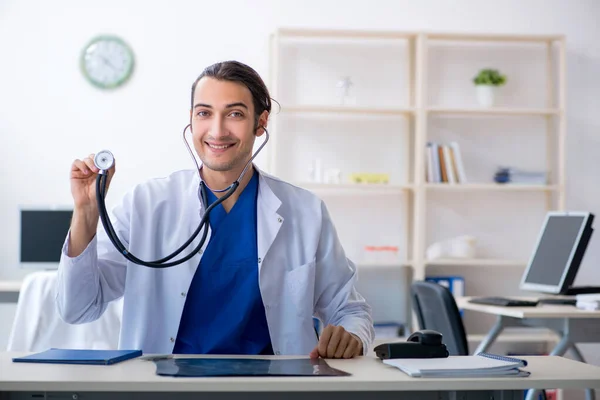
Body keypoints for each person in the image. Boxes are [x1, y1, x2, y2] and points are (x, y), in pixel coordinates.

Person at [56, 60, 374, 359]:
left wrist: (351, 336)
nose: (217, 130)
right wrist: (85, 212)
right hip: (164, 389)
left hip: (273, 388)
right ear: (191, 119)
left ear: (260, 123)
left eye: (234, 114)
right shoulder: (147, 204)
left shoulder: (304, 211)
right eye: (204, 113)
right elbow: (78, 308)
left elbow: (349, 310)